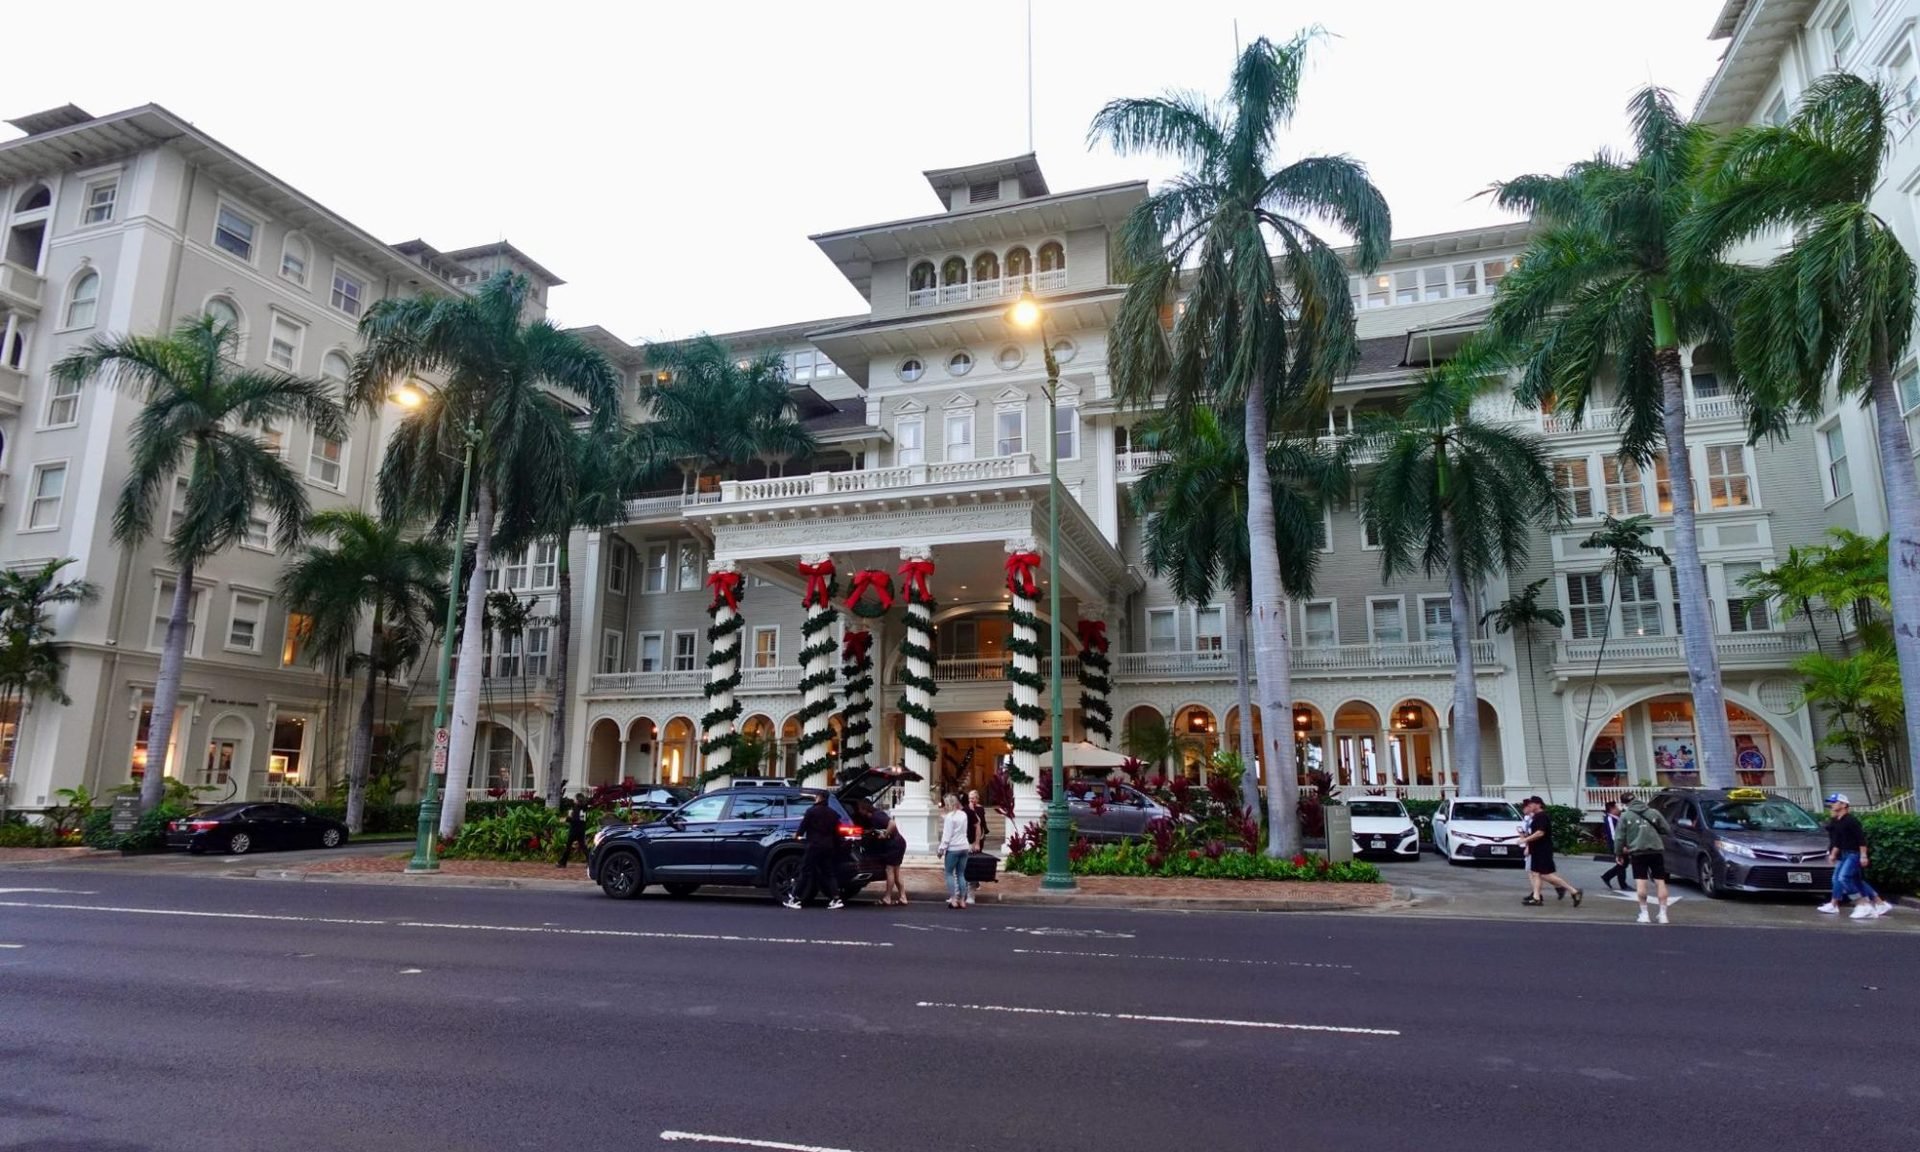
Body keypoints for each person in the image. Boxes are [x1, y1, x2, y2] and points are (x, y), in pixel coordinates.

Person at [1820, 794, 1892, 920]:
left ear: (1843, 804)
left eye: (1834, 802)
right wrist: (1833, 853)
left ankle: (1862, 904)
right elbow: (1838, 841)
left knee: (1843, 878)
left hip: (1853, 854)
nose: (1831, 805)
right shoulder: (1838, 821)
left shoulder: (1851, 820)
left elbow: (1861, 839)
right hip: (1845, 854)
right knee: (1851, 880)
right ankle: (1879, 903)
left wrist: (1863, 856)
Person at [1615, 792, 1672, 924]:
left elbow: (1619, 838)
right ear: (1636, 799)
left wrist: (1618, 853)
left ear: (1625, 803)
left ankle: (1644, 914)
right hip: (1656, 850)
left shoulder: (1625, 816)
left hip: (1637, 852)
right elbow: (1666, 829)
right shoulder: (1653, 813)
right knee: (1660, 881)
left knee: (1641, 882)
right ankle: (1663, 914)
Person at [784, 792, 844, 910]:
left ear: (819, 798)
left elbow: (803, 827)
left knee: (805, 871)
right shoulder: (833, 814)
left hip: (814, 846)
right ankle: (836, 898)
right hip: (828, 846)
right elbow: (837, 833)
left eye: (815, 797)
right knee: (829, 873)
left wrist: (797, 835)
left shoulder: (811, 811)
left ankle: (795, 898)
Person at [1518, 796, 1581, 907]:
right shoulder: (1536, 817)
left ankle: (1573, 891)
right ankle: (1536, 898)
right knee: (1535, 873)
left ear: (1538, 804)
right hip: (1536, 849)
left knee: (1545, 875)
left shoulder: (1542, 816)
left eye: (1532, 804)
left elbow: (1540, 833)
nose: (1530, 806)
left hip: (1543, 849)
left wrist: (1525, 840)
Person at [935, 793, 971, 910]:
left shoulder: (950, 817)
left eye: (945, 804)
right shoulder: (963, 815)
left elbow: (947, 836)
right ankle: (962, 900)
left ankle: (954, 899)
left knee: (949, 873)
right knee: (961, 874)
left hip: (953, 848)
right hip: (964, 846)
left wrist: (941, 849)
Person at [963, 788, 990, 907]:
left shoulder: (980, 808)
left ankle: (974, 884)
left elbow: (980, 823)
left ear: (977, 799)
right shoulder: (966, 808)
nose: (971, 800)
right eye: (970, 798)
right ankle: (974, 882)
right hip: (968, 838)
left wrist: (978, 841)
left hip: (978, 838)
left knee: (975, 860)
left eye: (973, 798)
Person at [1599, 801, 1629, 892]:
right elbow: (1613, 834)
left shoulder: (1617, 818)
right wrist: (1620, 846)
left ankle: (1622, 883)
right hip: (1616, 845)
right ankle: (1607, 877)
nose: (1619, 808)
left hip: (1621, 844)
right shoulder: (1610, 819)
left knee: (1623, 863)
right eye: (1616, 807)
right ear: (1612, 809)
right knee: (1622, 863)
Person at [557, 801, 589, 868]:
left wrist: (564, 819)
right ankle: (590, 862)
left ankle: (562, 862)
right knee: (583, 846)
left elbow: (574, 819)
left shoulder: (576, 809)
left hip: (574, 831)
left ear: (577, 800)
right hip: (581, 831)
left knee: (568, 847)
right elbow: (582, 820)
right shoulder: (584, 809)